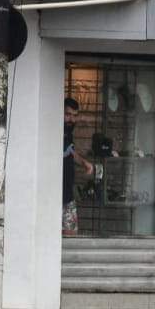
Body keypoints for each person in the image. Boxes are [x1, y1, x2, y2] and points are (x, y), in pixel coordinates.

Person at [63, 97, 94, 235]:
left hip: (67, 193)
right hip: (54, 194)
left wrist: (84, 163)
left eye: (75, 116)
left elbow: (70, 152)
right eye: (68, 114)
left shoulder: (67, 133)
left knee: (70, 235)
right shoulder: (54, 132)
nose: (71, 119)